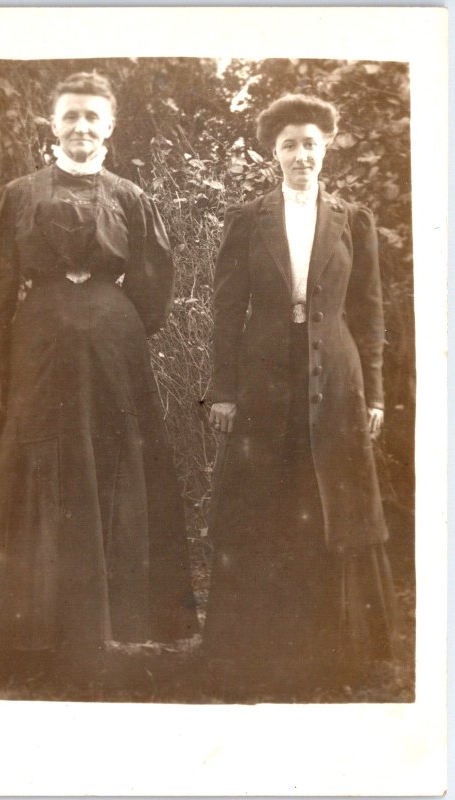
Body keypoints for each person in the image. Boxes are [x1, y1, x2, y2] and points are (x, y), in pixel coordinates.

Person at [0, 72, 198, 692]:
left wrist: (108, 320)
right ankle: (33, 635)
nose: (81, 128)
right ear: (53, 124)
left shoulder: (131, 197)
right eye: (70, 116)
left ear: (110, 127)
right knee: (40, 463)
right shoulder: (20, 195)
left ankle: (116, 629)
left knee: (112, 462)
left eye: (92, 118)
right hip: (39, 347)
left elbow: (154, 287)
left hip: (111, 352)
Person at [203, 94, 397, 699]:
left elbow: (369, 314)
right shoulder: (248, 219)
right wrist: (224, 393)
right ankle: (259, 654)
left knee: (333, 505)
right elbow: (226, 312)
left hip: (335, 382)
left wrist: (377, 396)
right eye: (289, 144)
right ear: (274, 152)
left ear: (326, 147)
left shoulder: (352, 220)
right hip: (263, 385)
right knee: (268, 505)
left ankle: (338, 655)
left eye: (310, 143)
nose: (301, 155)